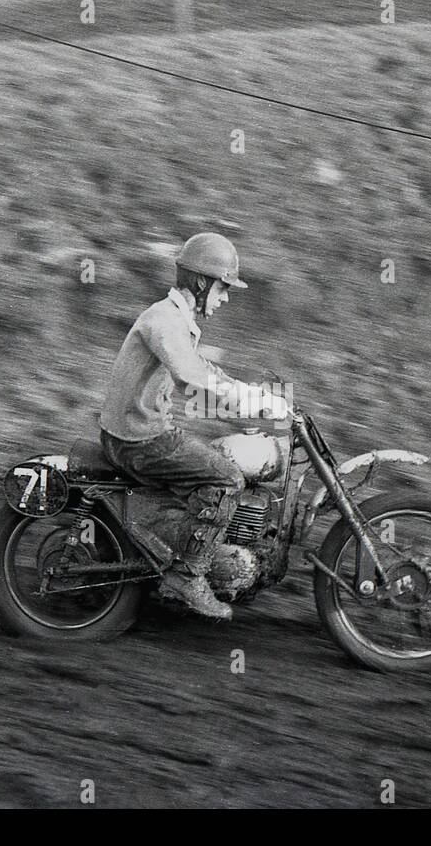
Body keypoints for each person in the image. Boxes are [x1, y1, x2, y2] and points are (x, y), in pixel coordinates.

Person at [98, 233, 289, 620]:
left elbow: (195, 380)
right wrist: (254, 401)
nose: (226, 297)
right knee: (226, 480)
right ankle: (188, 574)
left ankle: (179, 541)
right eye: (223, 287)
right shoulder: (164, 320)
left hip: (143, 431)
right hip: (139, 438)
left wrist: (255, 403)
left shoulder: (177, 322)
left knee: (220, 452)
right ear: (202, 282)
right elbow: (192, 375)